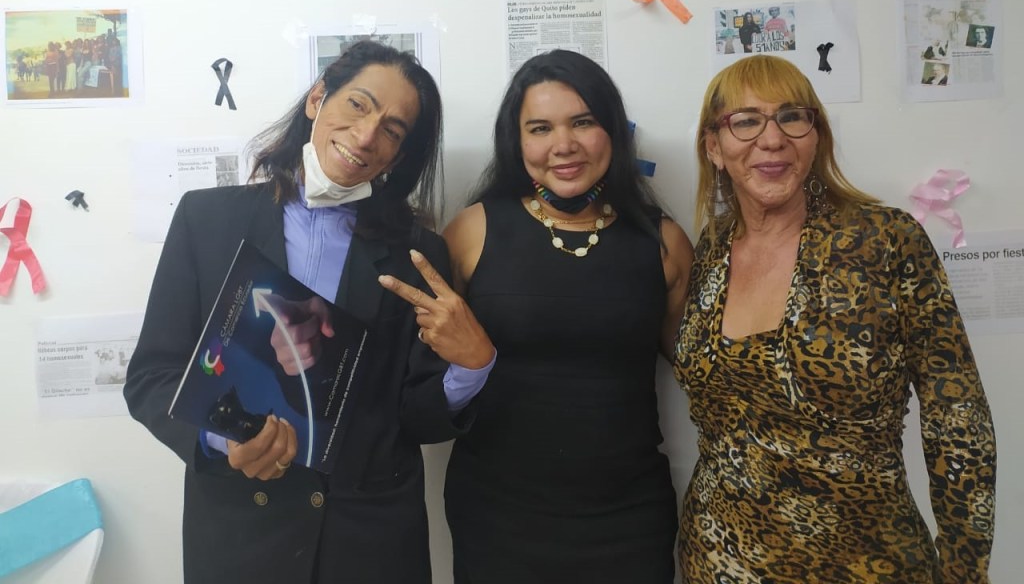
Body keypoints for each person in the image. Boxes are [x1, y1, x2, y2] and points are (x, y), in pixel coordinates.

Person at [124, 40, 490, 584]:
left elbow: (416, 417)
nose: (366, 136)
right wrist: (222, 437)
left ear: (398, 155)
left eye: (392, 130)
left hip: (370, 539)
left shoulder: (418, 254)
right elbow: (152, 376)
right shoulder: (207, 221)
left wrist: (471, 368)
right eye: (358, 105)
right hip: (242, 533)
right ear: (318, 98)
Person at [673, 54, 996, 583]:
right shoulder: (711, 247)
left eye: (792, 117)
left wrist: (965, 570)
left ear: (815, 136)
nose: (773, 139)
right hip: (718, 557)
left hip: (868, 563)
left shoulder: (886, 240)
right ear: (714, 146)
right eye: (746, 121)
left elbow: (957, 417)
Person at [381, 50, 694, 583]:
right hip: (498, 515)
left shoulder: (662, 241)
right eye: (540, 128)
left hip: (629, 517)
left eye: (583, 122)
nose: (563, 145)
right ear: (517, 140)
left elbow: (703, 376)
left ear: (612, 129)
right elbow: (416, 378)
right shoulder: (472, 231)